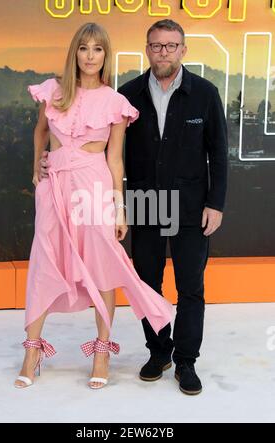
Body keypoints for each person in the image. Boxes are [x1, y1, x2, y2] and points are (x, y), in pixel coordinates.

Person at [14, 22, 173, 390]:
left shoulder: (115, 102)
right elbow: (40, 131)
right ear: (75, 53)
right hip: (55, 186)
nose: (89, 55)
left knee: (102, 265)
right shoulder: (53, 91)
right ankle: (32, 350)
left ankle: (102, 351)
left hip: (94, 186)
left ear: (105, 55)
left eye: (97, 49)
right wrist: (38, 166)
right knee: (44, 261)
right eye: (83, 48)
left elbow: (115, 160)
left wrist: (119, 208)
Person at [117, 20, 228, 395]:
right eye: (156, 46)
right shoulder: (127, 94)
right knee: (148, 285)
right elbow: (110, 153)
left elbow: (219, 154)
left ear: (184, 49)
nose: (163, 52)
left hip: (192, 206)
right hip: (145, 203)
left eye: (171, 45)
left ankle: (185, 361)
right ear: (147, 49)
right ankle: (158, 352)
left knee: (190, 288)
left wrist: (216, 203)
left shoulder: (205, 93)